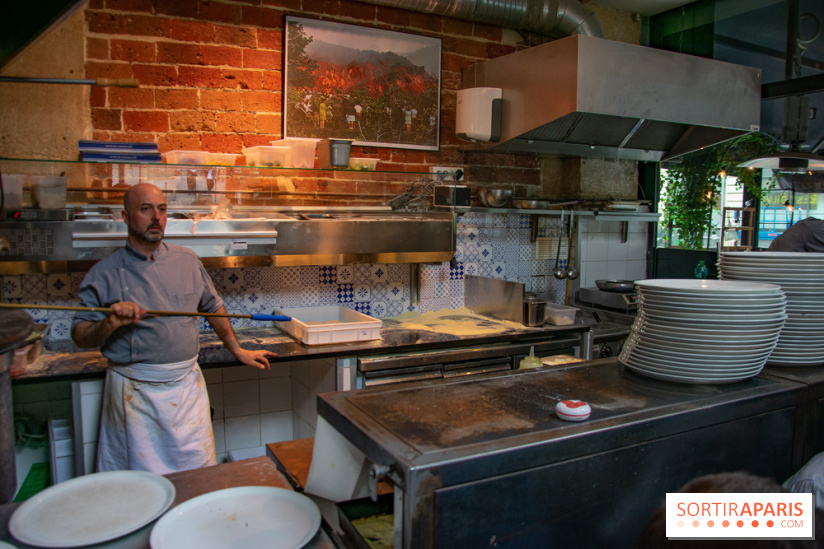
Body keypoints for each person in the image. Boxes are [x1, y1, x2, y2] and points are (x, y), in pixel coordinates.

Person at [71, 183, 277, 475]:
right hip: (135, 394)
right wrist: (110, 323)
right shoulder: (103, 273)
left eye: (162, 209)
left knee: (197, 477)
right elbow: (79, 335)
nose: (156, 217)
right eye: (146, 209)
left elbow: (212, 306)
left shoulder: (187, 260)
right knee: (140, 487)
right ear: (126, 217)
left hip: (186, 390)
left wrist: (237, 349)